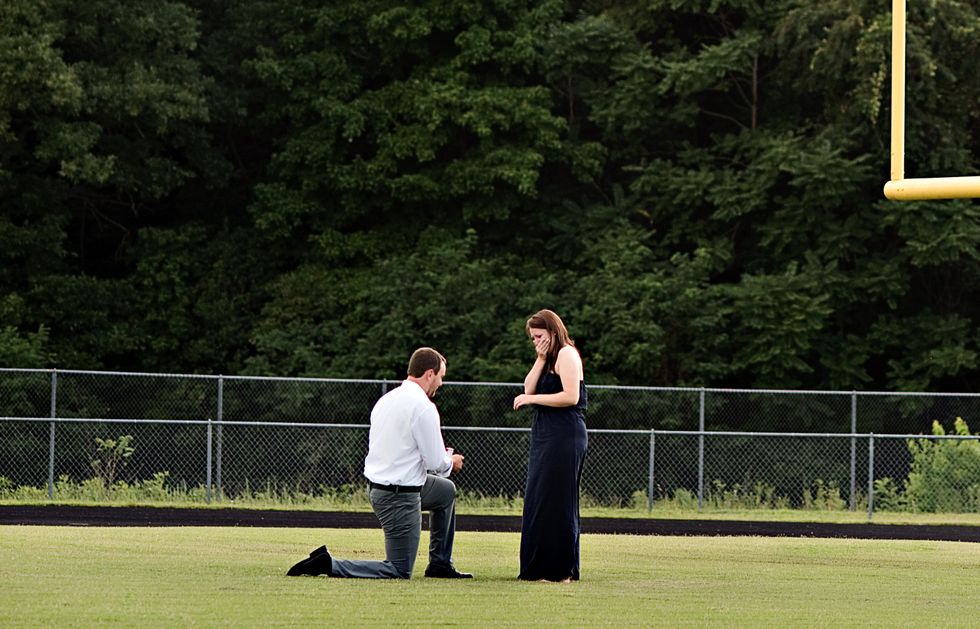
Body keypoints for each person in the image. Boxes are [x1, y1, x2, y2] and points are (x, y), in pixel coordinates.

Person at [287, 347, 471, 579]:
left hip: (381, 487)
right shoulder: (424, 407)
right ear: (429, 374)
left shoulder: (386, 400)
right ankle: (329, 564)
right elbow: (436, 463)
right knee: (398, 570)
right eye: (441, 377)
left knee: (445, 492)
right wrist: (451, 462)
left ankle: (440, 565)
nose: (441, 383)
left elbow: (401, 447)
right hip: (399, 494)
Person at [512, 309, 588, 583]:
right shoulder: (548, 359)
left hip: (565, 434)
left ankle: (560, 570)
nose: (536, 341)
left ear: (553, 332)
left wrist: (532, 400)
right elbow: (528, 387)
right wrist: (541, 358)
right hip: (545, 435)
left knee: (558, 499)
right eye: (533, 338)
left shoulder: (567, 354)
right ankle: (539, 567)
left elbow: (571, 396)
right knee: (540, 498)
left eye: (539, 336)